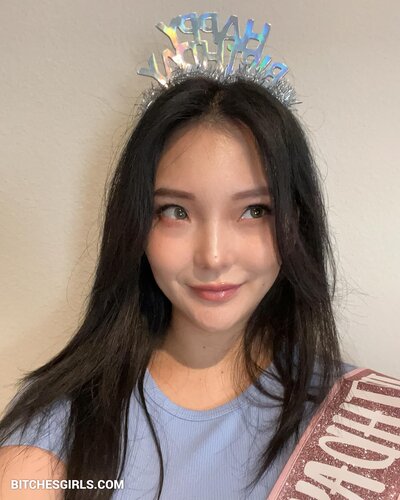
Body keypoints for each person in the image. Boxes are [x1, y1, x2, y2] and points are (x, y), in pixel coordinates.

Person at [0, 13, 350, 500]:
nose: (213, 256)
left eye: (254, 210)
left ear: (298, 220)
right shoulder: (58, 429)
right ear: (135, 224)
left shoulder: (360, 425)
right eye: (175, 211)